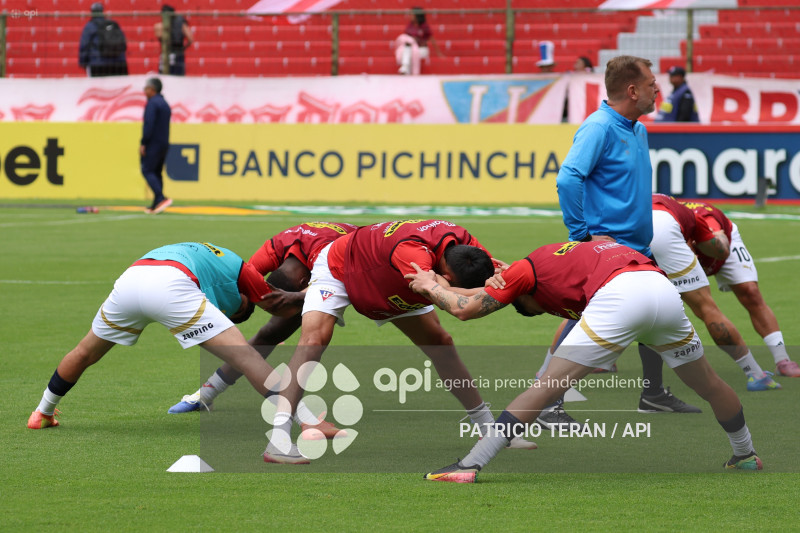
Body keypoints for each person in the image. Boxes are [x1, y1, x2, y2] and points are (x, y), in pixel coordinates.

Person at [405, 240, 763, 482]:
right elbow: (487, 289)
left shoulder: (524, 272)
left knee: (544, 387)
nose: (542, 310)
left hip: (621, 295)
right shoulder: (552, 258)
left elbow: (464, 309)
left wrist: (428, 285)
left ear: (523, 295)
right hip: (660, 289)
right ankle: (745, 454)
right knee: (710, 384)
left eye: (531, 307)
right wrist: (450, 282)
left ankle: (469, 465)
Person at [267, 219, 536, 463]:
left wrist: (511, 276)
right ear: (446, 273)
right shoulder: (412, 253)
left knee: (441, 344)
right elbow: (452, 300)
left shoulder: (465, 243)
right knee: (313, 341)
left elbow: (494, 272)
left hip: (393, 280)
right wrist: (504, 290)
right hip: (341, 267)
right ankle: (278, 439)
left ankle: (488, 429)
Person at [26, 242, 303, 448]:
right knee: (246, 357)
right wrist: (312, 293)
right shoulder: (244, 272)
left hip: (132, 278)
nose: (231, 313)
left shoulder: (216, 259)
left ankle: (42, 412)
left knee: (84, 352)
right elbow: (278, 304)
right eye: (238, 312)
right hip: (172, 282)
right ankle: (307, 419)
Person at [545, 55, 698, 427]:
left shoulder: (637, 128)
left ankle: (653, 394)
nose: (658, 90)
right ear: (632, 90)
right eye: (651, 85)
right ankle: (548, 401)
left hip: (637, 248)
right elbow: (568, 179)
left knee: (655, 314)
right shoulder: (598, 127)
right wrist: (582, 235)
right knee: (584, 320)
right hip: (609, 252)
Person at [168, 222, 360, 415]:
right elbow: (242, 282)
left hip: (366, 263)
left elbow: (326, 289)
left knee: (311, 341)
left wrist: (300, 298)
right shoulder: (274, 247)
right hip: (325, 260)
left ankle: (294, 415)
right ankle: (206, 394)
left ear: (304, 283)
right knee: (271, 333)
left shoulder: (329, 256)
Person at [650, 194, 781, 391]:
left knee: (634, 299)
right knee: (706, 308)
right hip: (664, 233)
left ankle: (600, 360)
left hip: (618, 234)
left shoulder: (631, 200)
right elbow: (721, 250)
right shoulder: (686, 214)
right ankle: (754, 374)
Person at [683, 199, 800, 378]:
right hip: (679, 253)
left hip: (724, 243)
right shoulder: (665, 233)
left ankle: (782, 360)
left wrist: (707, 248)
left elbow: (722, 247)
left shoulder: (707, 221)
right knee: (700, 308)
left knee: (750, 292)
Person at [140, 77, 172, 214]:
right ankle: (156, 203)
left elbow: (149, 125)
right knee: (157, 172)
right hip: (164, 142)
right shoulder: (165, 103)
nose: (144, 91)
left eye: (146, 88)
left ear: (152, 89)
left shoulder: (152, 104)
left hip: (153, 143)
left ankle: (160, 197)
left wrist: (144, 142)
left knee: (147, 170)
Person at [78, 2, 128, 77]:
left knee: (99, 87)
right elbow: (123, 43)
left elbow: (84, 45)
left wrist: (83, 62)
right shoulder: (113, 24)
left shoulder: (89, 26)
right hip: (118, 63)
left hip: (98, 64)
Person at [395, 6, 443, 75]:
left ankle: (406, 69)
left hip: (421, 49)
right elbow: (406, 38)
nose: (410, 16)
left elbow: (431, 39)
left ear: (417, 15)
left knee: (410, 52)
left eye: (412, 14)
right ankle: (406, 69)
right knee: (408, 48)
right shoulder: (410, 25)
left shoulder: (424, 26)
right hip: (410, 49)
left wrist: (439, 53)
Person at [154, 5, 194, 76]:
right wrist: (183, 48)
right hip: (177, 52)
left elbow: (159, 35)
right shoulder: (181, 23)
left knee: (166, 76)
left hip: (168, 52)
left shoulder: (159, 26)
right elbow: (190, 39)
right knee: (177, 76)